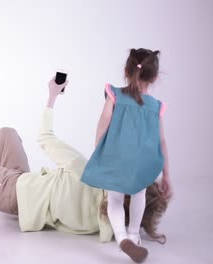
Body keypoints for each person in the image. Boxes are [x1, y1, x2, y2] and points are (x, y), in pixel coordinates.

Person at [0, 74, 171, 247]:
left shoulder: (85, 171)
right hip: (27, 190)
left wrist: (52, 94)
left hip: (12, 189)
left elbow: (45, 137)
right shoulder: (103, 225)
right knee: (6, 132)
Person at [81, 48, 173, 263]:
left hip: (116, 156)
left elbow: (104, 121)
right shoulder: (156, 106)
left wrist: (99, 151)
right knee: (139, 194)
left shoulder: (114, 94)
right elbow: (161, 140)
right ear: (155, 77)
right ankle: (134, 234)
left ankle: (122, 238)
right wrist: (166, 174)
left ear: (126, 71)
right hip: (143, 161)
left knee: (114, 198)